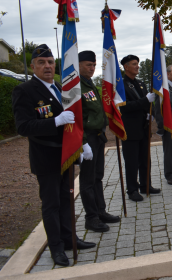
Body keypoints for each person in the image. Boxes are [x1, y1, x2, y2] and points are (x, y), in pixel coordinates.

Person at [11, 44, 95, 267]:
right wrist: (55, 122)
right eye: (41, 63)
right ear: (33, 66)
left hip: (66, 154)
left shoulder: (59, 87)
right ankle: (56, 248)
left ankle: (69, 239)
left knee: (67, 200)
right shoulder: (25, 91)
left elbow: (74, 119)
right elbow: (23, 127)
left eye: (50, 62)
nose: (47, 66)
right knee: (51, 204)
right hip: (46, 156)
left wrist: (82, 143)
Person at [78, 51, 120, 233]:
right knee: (87, 180)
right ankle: (91, 217)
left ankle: (100, 211)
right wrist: (82, 142)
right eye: (88, 65)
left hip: (97, 137)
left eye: (94, 65)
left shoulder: (89, 85)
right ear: (78, 65)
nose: (92, 68)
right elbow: (76, 117)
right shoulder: (76, 87)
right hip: (87, 138)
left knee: (97, 177)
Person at [120, 54, 161, 201]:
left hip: (143, 128)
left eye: (138, 63)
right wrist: (145, 101)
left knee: (145, 159)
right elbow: (125, 107)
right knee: (131, 162)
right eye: (134, 64)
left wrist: (150, 113)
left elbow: (147, 104)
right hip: (130, 130)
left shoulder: (141, 83)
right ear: (126, 67)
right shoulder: (122, 85)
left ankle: (145, 185)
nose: (137, 66)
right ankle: (132, 190)